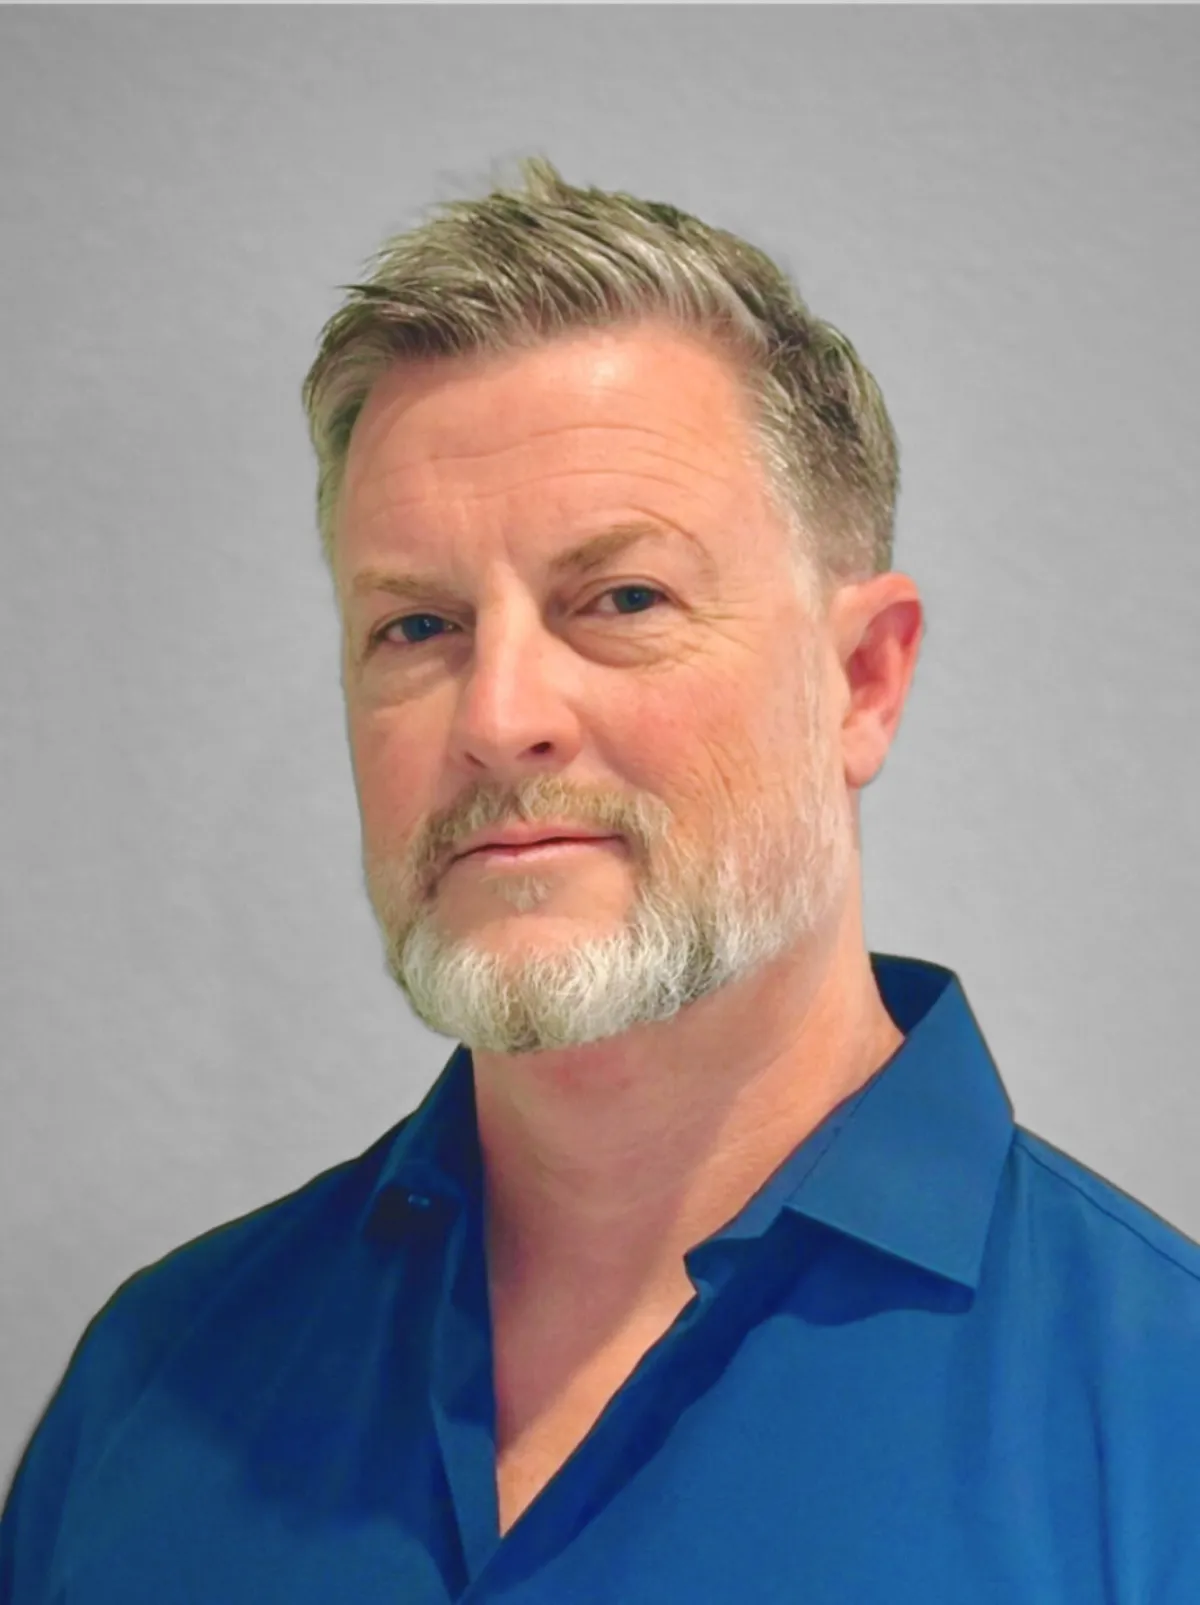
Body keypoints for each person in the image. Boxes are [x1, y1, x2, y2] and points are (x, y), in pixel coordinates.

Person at [3, 156, 1198, 1605]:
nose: (499, 715)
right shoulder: (153, 1390)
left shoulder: (1162, 1429)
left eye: (623, 598)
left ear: (862, 682)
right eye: (418, 625)